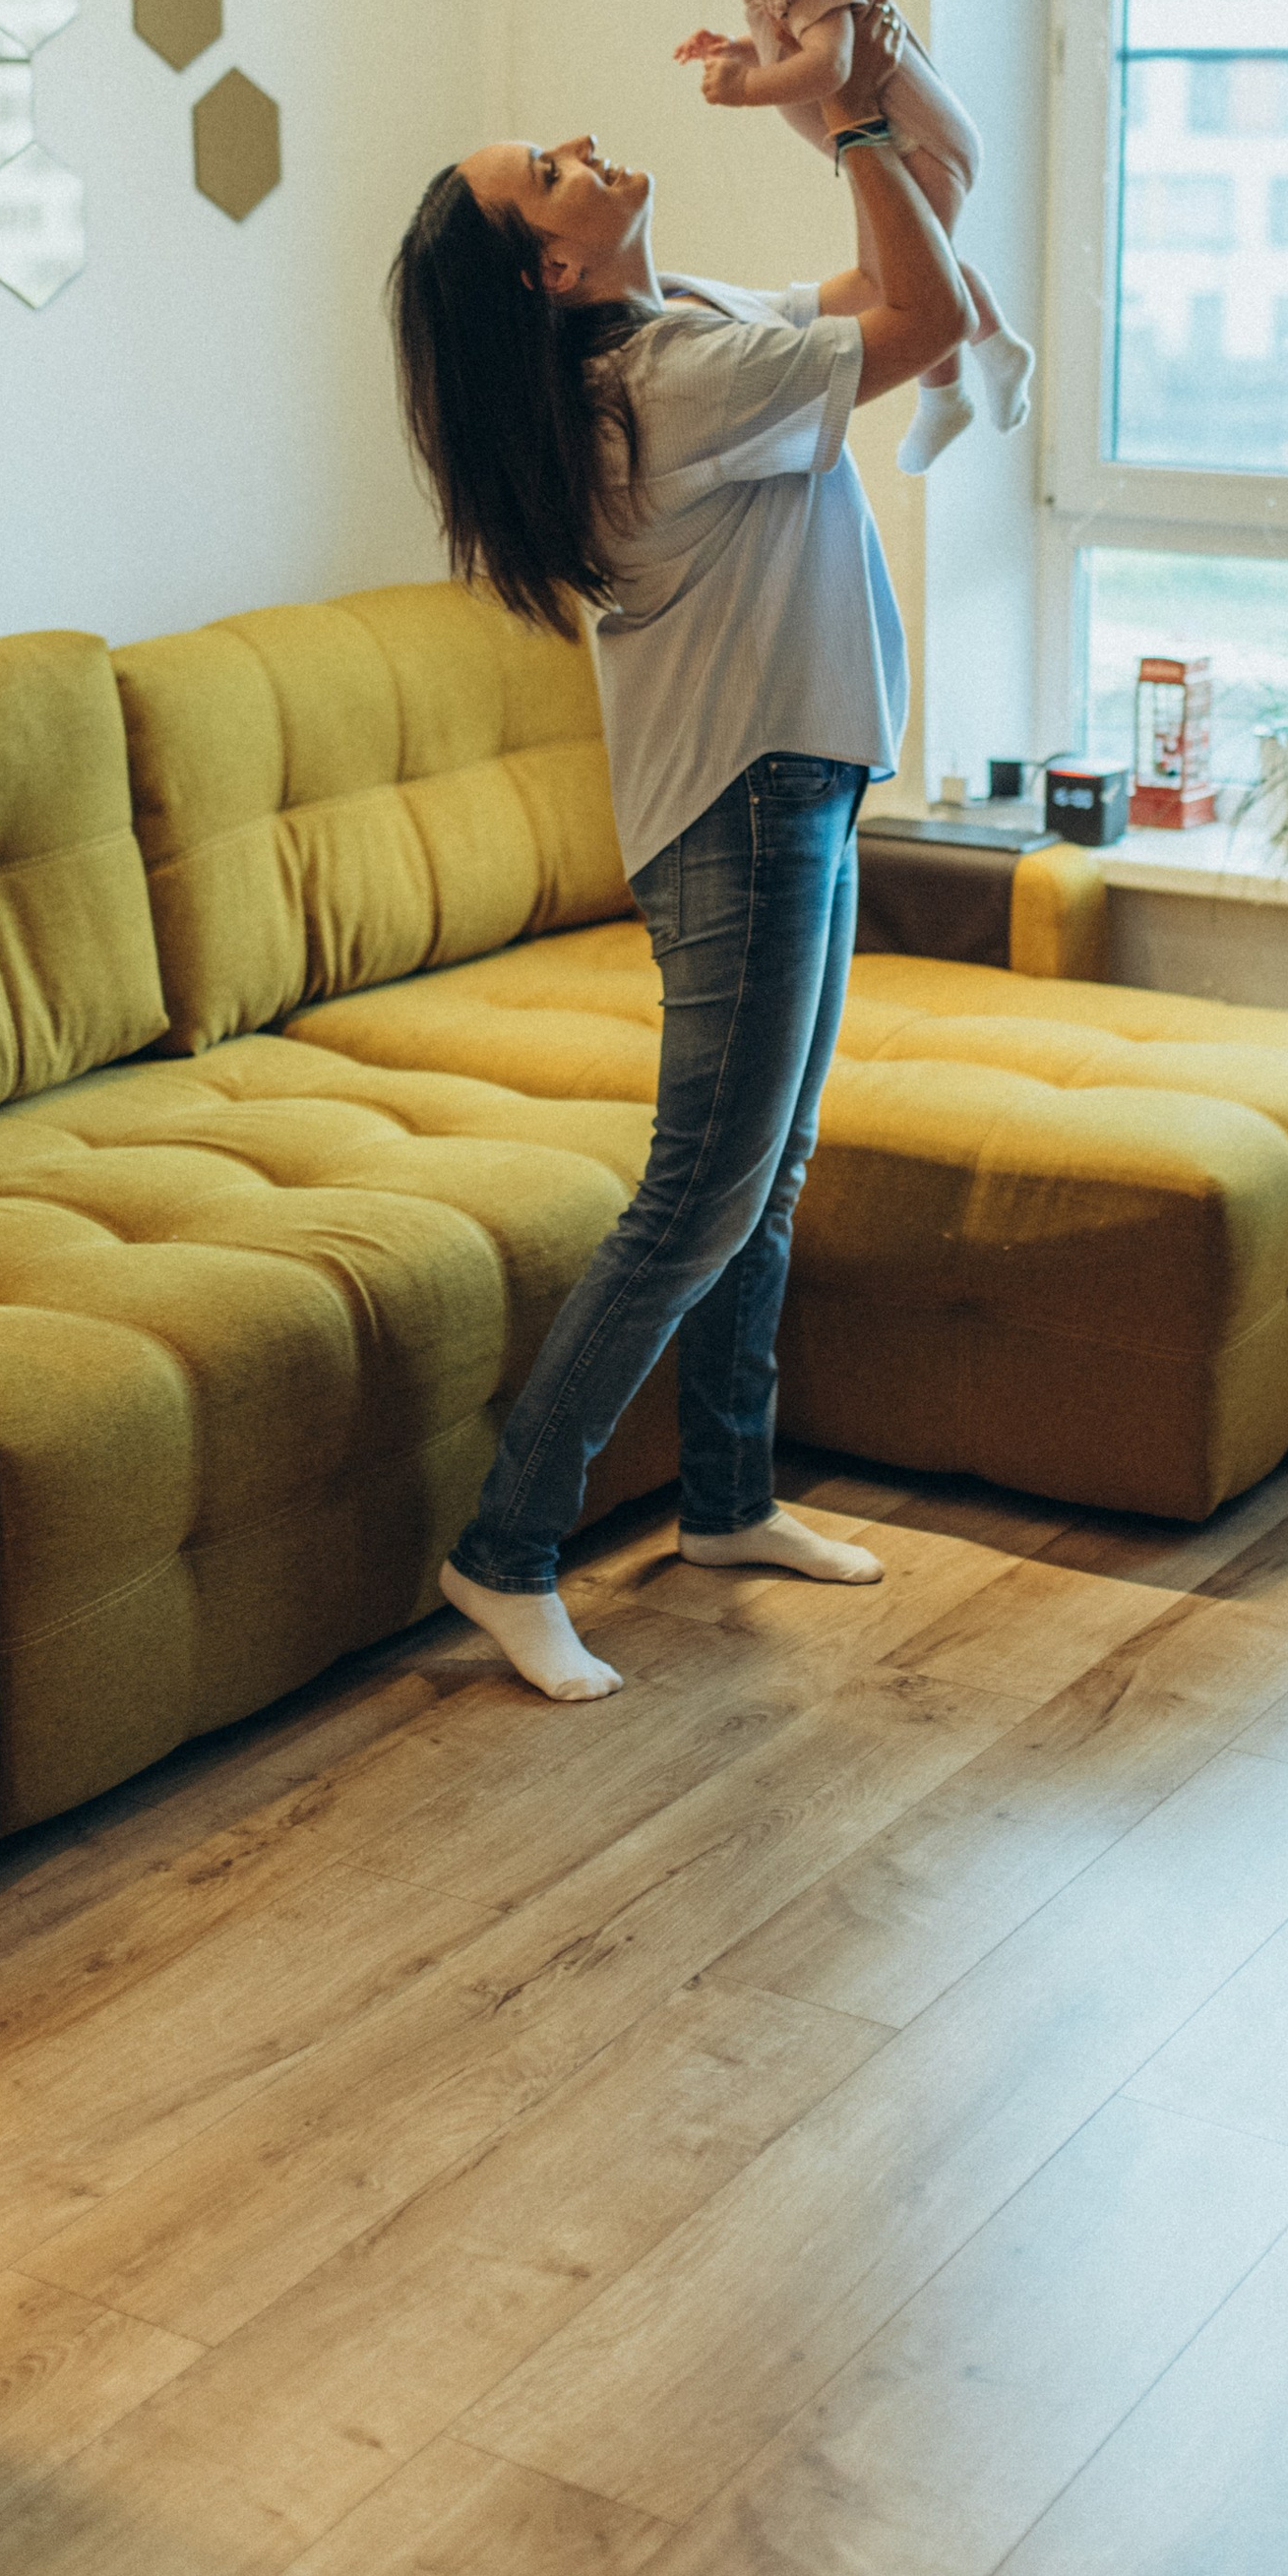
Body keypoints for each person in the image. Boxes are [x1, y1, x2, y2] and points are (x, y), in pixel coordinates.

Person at [388, 107, 969, 1699]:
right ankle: (503, 1552)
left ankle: (726, 1501)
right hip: (750, 815)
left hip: (800, 791)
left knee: (766, 1175)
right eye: (545, 171)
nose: (577, 143)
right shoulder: (657, 391)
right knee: (697, 1197)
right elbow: (929, 318)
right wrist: (849, 110)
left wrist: (862, 84)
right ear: (555, 266)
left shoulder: (680, 331)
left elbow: (914, 258)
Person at [672, 0, 1035, 477]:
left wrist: (744, 90)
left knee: (908, 278)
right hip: (893, 145)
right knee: (908, 271)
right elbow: (793, 48)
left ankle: (946, 395)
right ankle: (998, 350)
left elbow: (831, 68)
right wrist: (735, 49)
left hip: (922, 143)